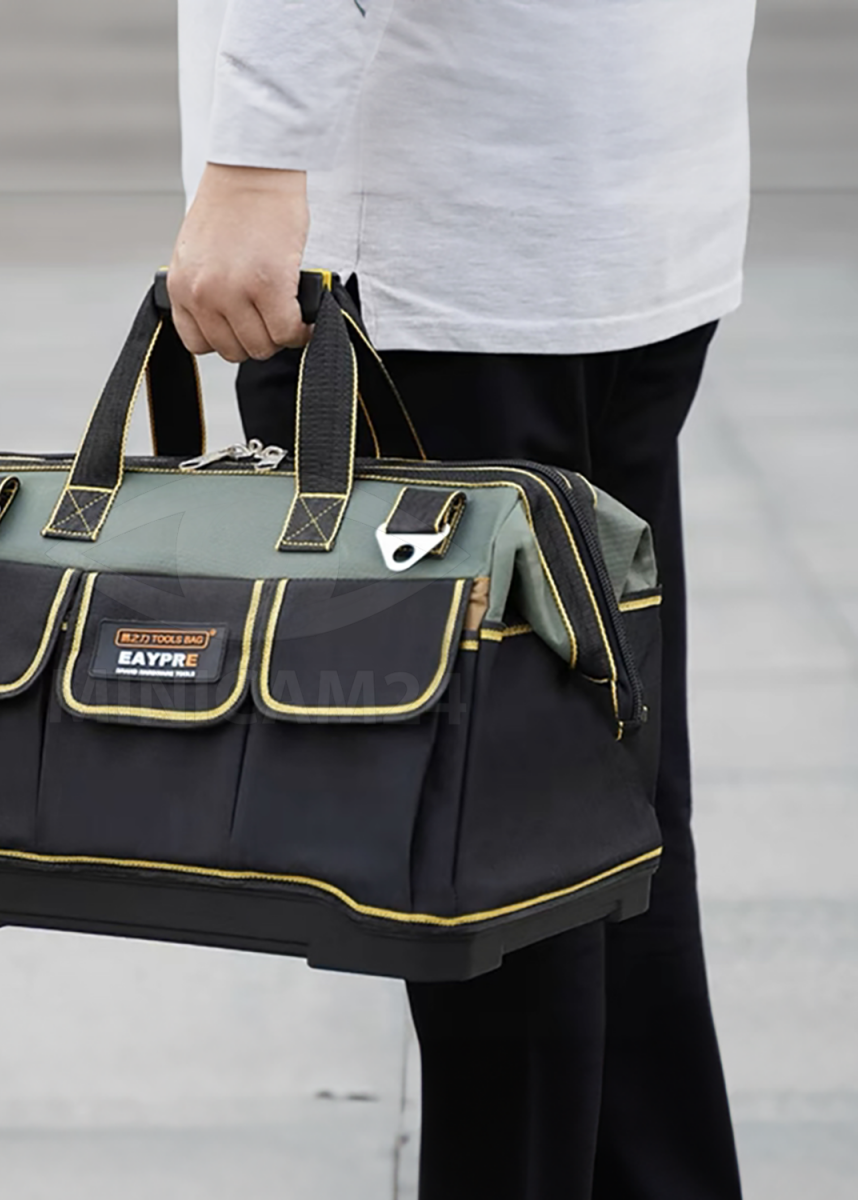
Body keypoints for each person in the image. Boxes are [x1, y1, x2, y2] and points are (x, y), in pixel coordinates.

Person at [166, 2, 756, 1198]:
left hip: (432, 246)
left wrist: (257, 156)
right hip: (623, 202)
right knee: (606, 819)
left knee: (483, 869)